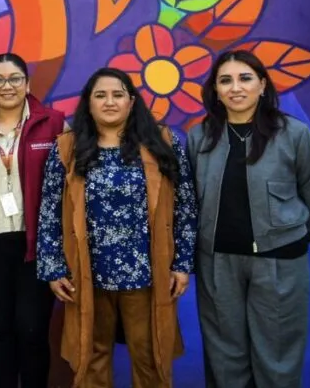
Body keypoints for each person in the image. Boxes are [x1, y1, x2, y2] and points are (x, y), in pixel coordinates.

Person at [36, 67, 197, 388]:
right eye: (100, 95)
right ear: (89, 104)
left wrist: (181, 264)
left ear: (132, 101)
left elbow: (186, 205)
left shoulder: (162, 143)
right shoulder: (68, 149)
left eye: (118, 94)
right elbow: (50, 211)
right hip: (87, 276)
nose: (109, 102)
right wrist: (53, 267)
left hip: (146, 274)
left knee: (150, 356)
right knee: (90, 358)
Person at [189, 50, 310, 387]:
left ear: (262, 85)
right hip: (218, 262)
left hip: (279, 262)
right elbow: (189, 201)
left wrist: (290, 240)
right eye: (226, 80)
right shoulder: (199, 137)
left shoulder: (294, 134)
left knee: (277, 357)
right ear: (216, 90)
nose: (236, 87)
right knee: (225, 357)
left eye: (245, 78)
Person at [0, 53, 65, 387]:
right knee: (1, 330)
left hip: (37, 246)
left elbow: (70, 182)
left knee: (33, 330)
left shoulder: (56, 124)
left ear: (28, 83)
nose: (8, 86)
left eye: (15, 78)